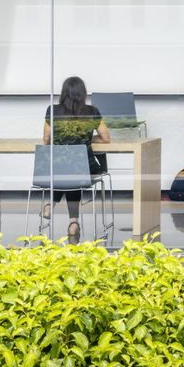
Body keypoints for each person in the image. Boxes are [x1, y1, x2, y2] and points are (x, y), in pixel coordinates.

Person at [44, 75, 110, 244]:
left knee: (68, 172)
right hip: (84, 167)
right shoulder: (92, 111)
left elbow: (46, 139)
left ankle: (50, 203)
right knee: (76, 172)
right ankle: (73, 222)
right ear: (83, 93)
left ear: (63, 93)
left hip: (58, 167)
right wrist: (87, 138)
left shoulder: (53, 110)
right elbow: (106, 137)